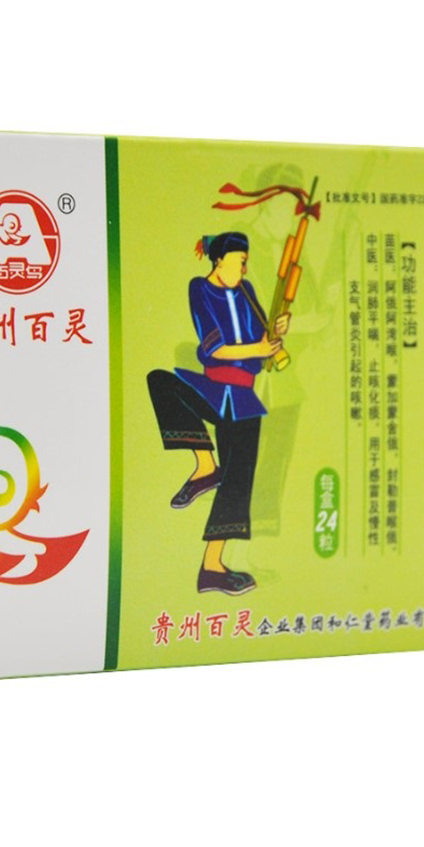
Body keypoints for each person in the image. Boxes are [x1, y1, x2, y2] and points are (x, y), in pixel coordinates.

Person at [147, 231, 290, 595]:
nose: (244, 268)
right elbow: (214, 348)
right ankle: (204, 466)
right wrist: (258, 347)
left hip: (243, 397)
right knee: (161, 382)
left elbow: (263, 348)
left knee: (237, 482)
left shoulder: (247, 291)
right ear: (220, 260)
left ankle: (212, 567)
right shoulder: (200, 289)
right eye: (240, 261)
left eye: (246, 262)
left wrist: (276, 333)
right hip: (212, 386)